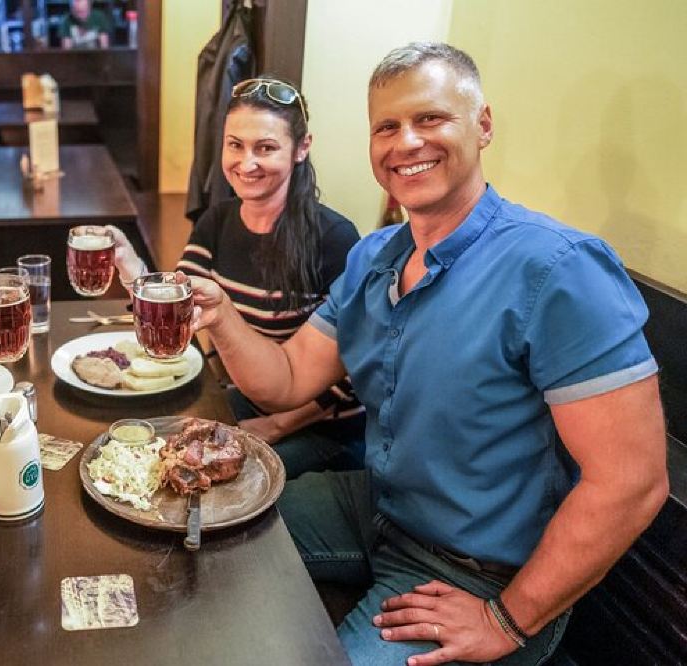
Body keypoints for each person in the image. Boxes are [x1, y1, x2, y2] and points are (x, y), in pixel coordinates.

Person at [189, 43, 668, 665]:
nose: (406, 142)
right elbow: (285, 379)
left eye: (431, 118)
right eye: (386, 127)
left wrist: (506, 620)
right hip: (378, 507)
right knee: (194, 525)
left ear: (483, 124)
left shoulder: (558, 269)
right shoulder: (374, 257)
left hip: (479, 571)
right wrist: (222, 317)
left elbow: (632, 481)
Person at [108, 76, 364, 479]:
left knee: (213, 486)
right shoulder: (217, 220)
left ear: (302, 148)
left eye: (265, 148)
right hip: (244, 401)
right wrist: (131, 268)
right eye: (235, 145)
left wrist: (276, 426)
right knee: (144, 446)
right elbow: (179, 307)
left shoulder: (335, 238)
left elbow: (358, 368)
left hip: (322, 428)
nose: (246, 163)